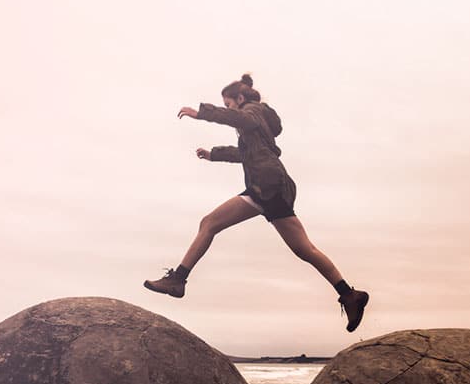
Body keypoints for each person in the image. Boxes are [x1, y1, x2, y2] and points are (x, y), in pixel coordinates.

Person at [143, 74, 369, 333]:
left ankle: (178, 280)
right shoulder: (256, 125)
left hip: (267, 185)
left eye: (228, 105)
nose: (228, 110)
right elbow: (244, 153)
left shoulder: (252, 111)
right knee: (304, 249)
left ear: (239, 99)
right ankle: (349, 294)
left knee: (209, 223)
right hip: (273, 186)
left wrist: (202, 113)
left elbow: (241, 119)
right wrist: (213, 154)